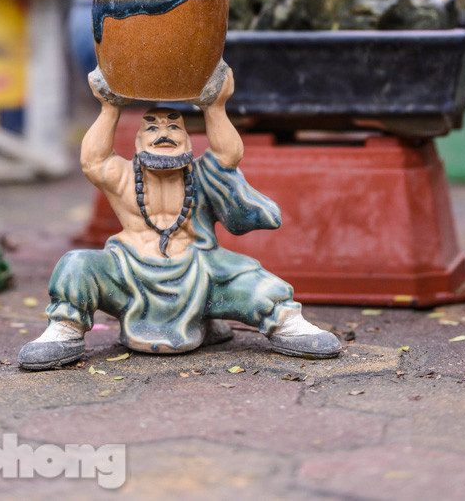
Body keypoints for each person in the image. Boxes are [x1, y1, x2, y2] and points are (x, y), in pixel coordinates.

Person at [19, 63, 341, 369]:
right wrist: (109, 107)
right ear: (137, 142)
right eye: (152, 128)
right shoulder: (123, 177)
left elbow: (227, 155)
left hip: (199, 269)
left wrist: (215, 107)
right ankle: (65, 328)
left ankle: (286, 322)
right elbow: (93, 161)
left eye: (174, 127)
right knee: (76, 265)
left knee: (254, 278)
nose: (164, 133)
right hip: (129, 270)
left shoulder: (200, 174)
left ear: (188, 140)